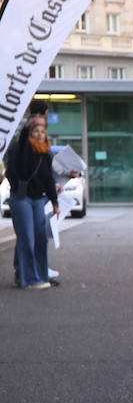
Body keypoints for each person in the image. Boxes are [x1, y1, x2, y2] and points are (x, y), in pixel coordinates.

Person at [4, 114, 60, 290]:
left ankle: (41, 275)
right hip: (22, 199)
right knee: (27, 238)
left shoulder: (45, 152)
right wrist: (26, 129)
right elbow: (13, 167)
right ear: (29, 132)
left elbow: (49, 179)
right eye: (36, 130)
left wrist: (54, 202)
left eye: (43, 131)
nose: (39, 134)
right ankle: (29, 279)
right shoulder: (20, 149)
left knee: (40, 239)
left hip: (38, 199)